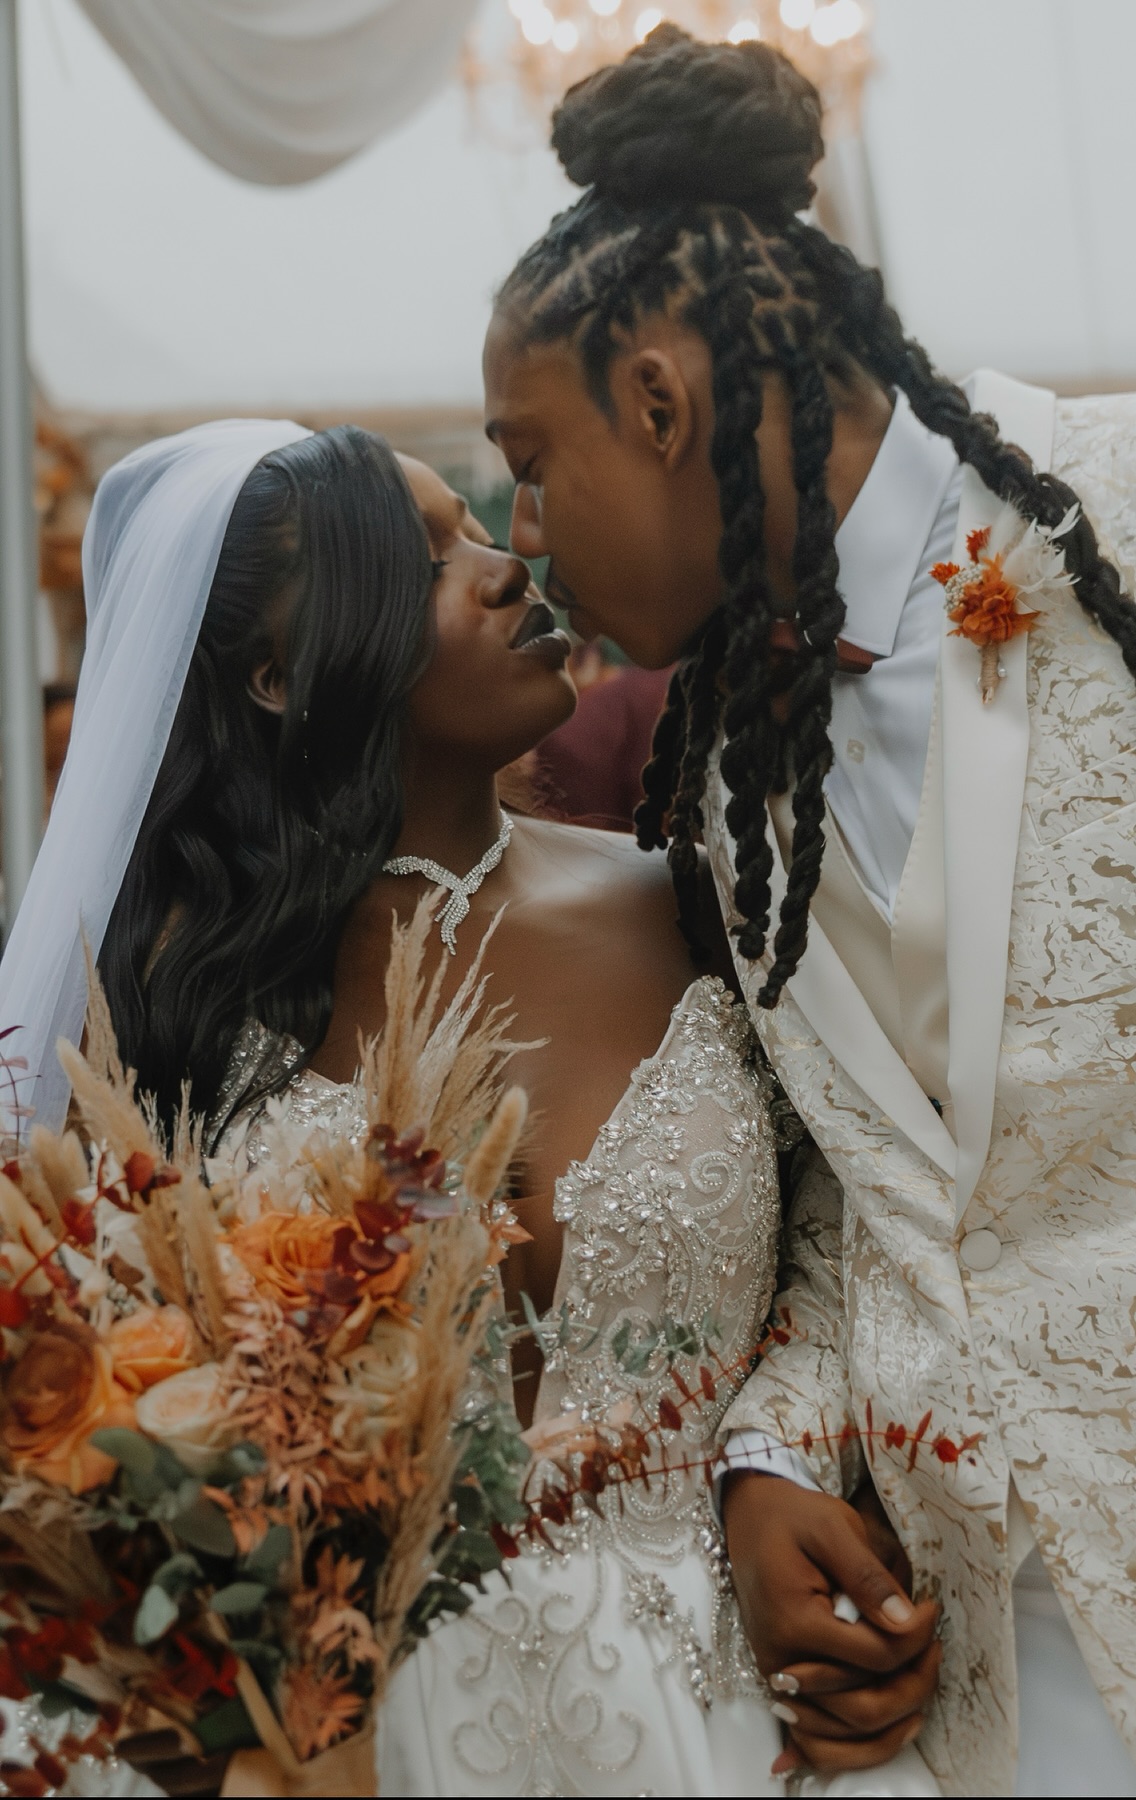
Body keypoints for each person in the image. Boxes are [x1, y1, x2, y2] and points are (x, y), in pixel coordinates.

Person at [480, 25, 1136, 1796]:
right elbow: (885, 1190)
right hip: (984, 1666)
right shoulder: (728, 765)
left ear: (661, 405)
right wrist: (773, 1454)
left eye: (530, 461)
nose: (524, 530)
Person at [0, 417, 934, 1798]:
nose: (507, 566)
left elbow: (852, 1229)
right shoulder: (155, 1027)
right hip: (369, 1747)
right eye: (427, 557)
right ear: (274, 672)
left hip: (739, 1710)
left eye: (482, 528)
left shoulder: (701, 903)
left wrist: (775, 1457)